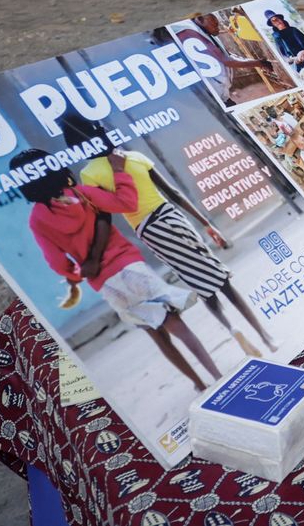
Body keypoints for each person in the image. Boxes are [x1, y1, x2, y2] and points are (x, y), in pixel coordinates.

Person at [60, 113, 278, 358]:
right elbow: (173, 192)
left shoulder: (90, 174)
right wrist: (208, 224)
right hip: (172, 216)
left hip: (150, 231)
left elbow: (107, 213)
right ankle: (263, 335)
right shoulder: (133, 157)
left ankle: (231, 328)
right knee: (218, 275)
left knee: (197, 280)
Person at [15, 147, 223, 391]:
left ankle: (199, 384)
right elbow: (125, 202)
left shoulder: (37, 220)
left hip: (106, 283)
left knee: (155, 332)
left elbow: (56, 262)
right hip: (129, 265)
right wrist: (118, 171)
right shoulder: (81, 194)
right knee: (174, 323)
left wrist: (77, 273)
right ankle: (217, 375)